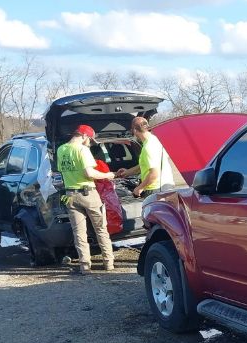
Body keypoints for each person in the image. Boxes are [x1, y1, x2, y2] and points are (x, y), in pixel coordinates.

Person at [56, 124, 115, 273]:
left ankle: (85, 267)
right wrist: (108, 175)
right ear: (84, 136)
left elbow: (63, 172)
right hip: (88, 194)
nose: (89, 143)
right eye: (89, 140)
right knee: (101, 229)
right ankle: (108, 263)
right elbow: (90, 173)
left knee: (79, 233)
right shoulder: (82, 150)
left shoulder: (61, 149)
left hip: (70, 195)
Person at [116, 117, 174, 198]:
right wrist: (128, 172)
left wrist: (140, 188)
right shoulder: (156, 140)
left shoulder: (148, 147)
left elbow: (154, 173)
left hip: (156, 189)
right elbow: (146, 165)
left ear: (135, 130)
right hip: (167, 185)